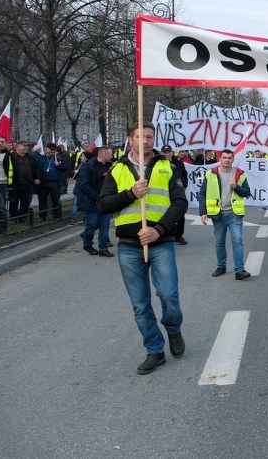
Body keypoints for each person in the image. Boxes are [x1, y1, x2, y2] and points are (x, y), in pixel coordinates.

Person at [98, 123, 189, 375]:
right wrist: (130, 194)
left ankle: (173, 329)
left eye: (149, 137)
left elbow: (180, 203)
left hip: (161, 242)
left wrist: (158, 230)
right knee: (140, 304)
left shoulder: (167, 167)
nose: (145, 141)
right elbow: (103, 205)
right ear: (132, 139)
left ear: (154, 140)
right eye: (140, 136)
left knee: (168, 294)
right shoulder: (117, 169)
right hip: (129, 246)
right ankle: (154, 350)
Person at [200, 149, 252, 280]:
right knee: (219, 242)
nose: (227, 160)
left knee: (237, 241)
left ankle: (239, 270)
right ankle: (221, 266)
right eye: (224, 157)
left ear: (233, 159)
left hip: (234, 214)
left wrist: (236, 187)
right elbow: (203, 194)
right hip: (218, 214)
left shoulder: (239, 174)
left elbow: (247, 192)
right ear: (220, 159)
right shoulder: (210, 174)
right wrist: (203, 212)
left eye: (229, 158)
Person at [75, 145, 114, 257]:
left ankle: (103, 248)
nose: (112, 156)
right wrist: (96, 198)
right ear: (105, 154)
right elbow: (84, 184)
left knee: (104, 225)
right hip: (91, 202)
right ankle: (87, 244)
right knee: (91, 225)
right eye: (111, 154)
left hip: (105, 201)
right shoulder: (88, 166)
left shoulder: (109, 166)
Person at [161, 146, 189, 245]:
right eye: (165, 152)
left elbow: (184, 174)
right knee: (166, 213)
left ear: (172, 152)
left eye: (169, 152)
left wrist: (184, 185)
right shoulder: (159, 163)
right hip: (164, 192)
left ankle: (179, 236)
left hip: (177, 191)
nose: (167, 154)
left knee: (180, 213)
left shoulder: (178, 162)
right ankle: (167, 234)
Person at [8, 140, 37, 224]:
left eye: (27, 146)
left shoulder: (30, 157)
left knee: (26, 202)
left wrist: (37, 178)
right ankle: (13, 218)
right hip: (15, 184)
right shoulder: (11, 156)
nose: (26, 148)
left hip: (28, 184)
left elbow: (35, 168)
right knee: (13, 202)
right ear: (17, 147)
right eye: (24, 146)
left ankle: (23, 218)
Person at [36, 143, 63, 221]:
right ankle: (42, 216)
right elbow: (36, 169)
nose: (52, 151)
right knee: (42, 200)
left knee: (56, 200)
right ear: (46, 149)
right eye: (51, 149)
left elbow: (65, 167)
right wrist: (37, 178)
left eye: (54, 149)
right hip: (43, 183)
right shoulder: (41, 158)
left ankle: (57, 216)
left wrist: (59, 165)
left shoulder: (59, 158)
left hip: (54, 182)